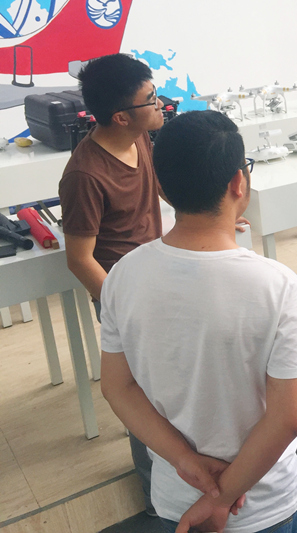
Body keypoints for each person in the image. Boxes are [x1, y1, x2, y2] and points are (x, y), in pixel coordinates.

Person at [100, 110, 297, 533]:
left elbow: (118, 387)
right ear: (239, 183)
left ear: (161, 188)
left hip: (177, 495)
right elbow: (287, 418)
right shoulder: (277, 285)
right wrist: (220, 498)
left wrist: (186, 462)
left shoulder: (122, 275)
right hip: (262, 501)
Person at [58, 53, 164, 514]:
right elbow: (79, 259)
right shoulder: (84, 175)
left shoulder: (139, 137)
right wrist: (120, 307)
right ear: (121, 115)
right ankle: (156, 497)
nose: (160, 104)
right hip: (123, 296)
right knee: (141, 396)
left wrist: (209, 213)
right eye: (151, 98)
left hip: (157, 278)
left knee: (166, 385)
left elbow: (159, 187)